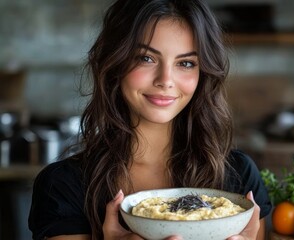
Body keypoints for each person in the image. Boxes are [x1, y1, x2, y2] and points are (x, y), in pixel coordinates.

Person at [28, 0, 272, 239]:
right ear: (115, 63)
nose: (165, 80)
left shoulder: (238, 178)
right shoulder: (64, 186)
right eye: (146, 58)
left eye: (186, 63)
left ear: (203, 74)